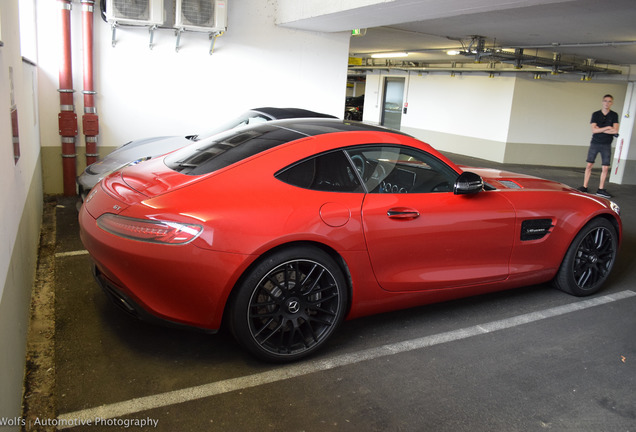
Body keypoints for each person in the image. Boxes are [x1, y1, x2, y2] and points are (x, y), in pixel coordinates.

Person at [579, 94, 619, 198]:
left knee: (605, 168)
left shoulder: (614, 115)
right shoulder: (596, 114)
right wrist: (608, 127)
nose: (607, 103)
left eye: (609, 101)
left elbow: (615, 130)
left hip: (606, 144)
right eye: (605, 101)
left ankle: (600, 189)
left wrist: (600, 128)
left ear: (612, 103)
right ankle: (584, 187)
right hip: (595, 143)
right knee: (589, 165)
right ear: (602, 102)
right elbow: (594, 130)